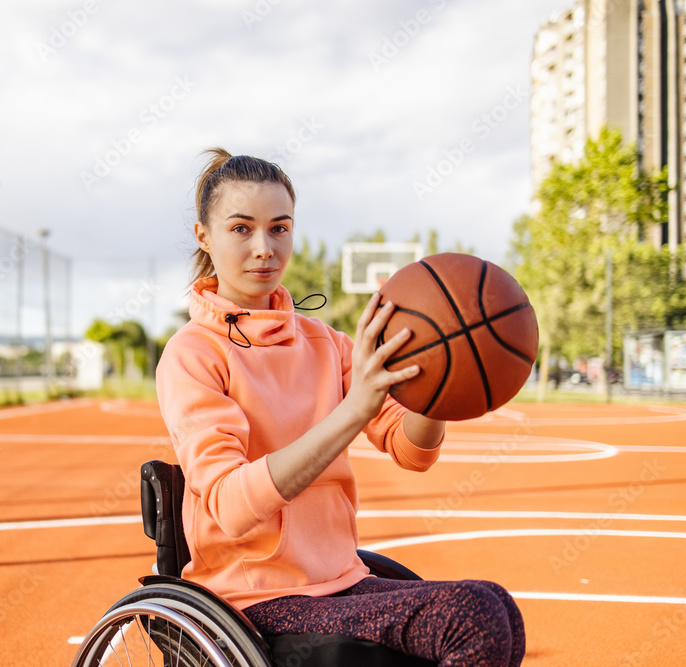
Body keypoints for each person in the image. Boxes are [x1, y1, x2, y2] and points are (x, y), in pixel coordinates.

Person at [155, 148, 525, 667]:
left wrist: (440, 371)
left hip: (340, 580)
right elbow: (230, 506)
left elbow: (413, 451)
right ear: (204, 237)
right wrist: (353, 410)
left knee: (497, 607)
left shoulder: (327, 342)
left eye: (279, 228)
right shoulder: (194, 354)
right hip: (254, 600)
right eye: (241, 229)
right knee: (470, 616)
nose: (264, 248)